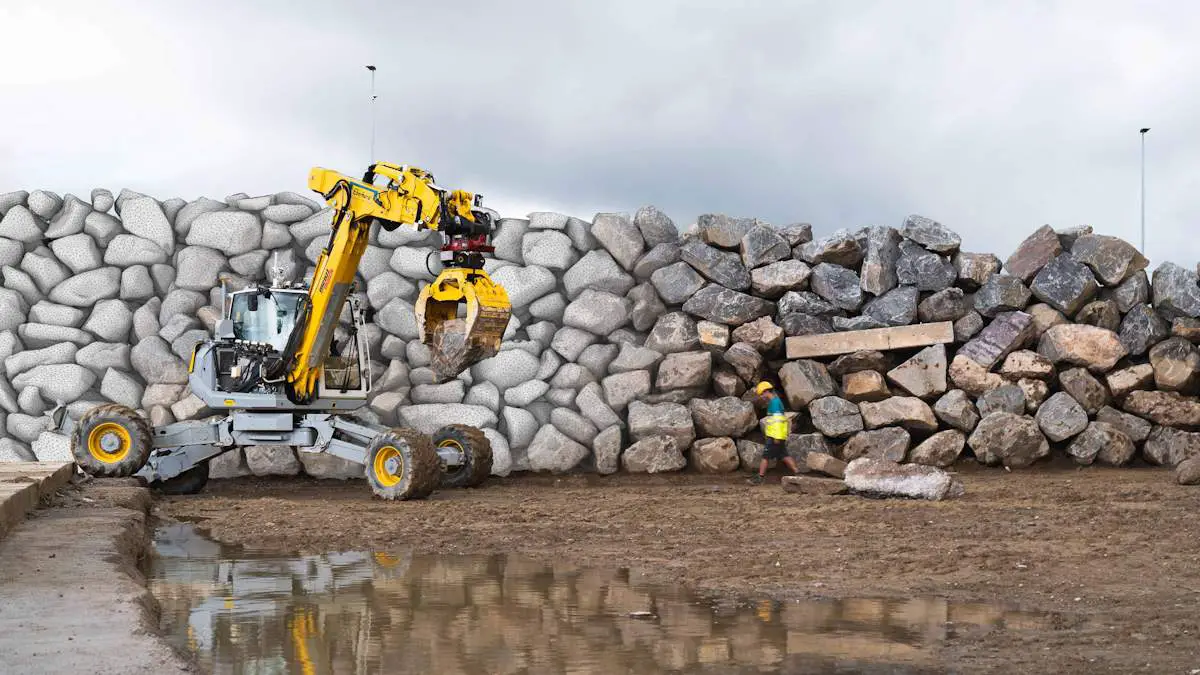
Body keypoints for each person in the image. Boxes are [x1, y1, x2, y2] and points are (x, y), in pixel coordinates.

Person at [748, 381, 801, 484]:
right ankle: (798, 473)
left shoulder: (775, 403)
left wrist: (776, 437)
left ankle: (760, 478)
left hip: (774, 436)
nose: (761, 397)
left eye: (762, 394)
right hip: (777, 435)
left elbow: (778, 422)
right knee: (784, 455)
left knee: (765, 457)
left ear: (766, 391)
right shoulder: (775, 402)